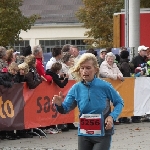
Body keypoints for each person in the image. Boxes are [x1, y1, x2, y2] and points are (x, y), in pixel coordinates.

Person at [52, 53, 124, 150]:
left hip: (103, 132)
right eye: (82, 68)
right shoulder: (76, 88)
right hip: (84, 134)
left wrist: (112, 117)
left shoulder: (105, 86)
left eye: (88, 68)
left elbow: (119, 102)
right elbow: (65, 109)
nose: (85, 71)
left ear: (95, 69)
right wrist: (59, 104)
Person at [131, 45, 149, 123]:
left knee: (143, 98)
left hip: (144, 80)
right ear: (140, 52)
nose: (145, 52)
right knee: (137, 98)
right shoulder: (135, 59)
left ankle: (142, 114)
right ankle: (135, 116)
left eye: (145, 51)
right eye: (143, 50)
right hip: (137, 81)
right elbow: (131, 68)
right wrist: (136, 73)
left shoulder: (145, 60)